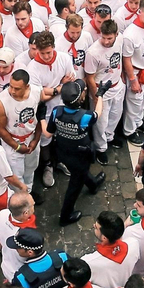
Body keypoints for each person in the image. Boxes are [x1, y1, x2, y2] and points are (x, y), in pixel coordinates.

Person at [49, 79, 104, 225]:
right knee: (75, 185)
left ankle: (93, 184)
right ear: (81, 98)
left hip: (62, 151)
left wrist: (42, 117)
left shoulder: (56, 111)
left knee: (80, 173)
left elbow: (49, 132)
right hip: (80, 155)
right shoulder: (85, 116)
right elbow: (98, 112)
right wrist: (101, 94)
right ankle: (65, 216)